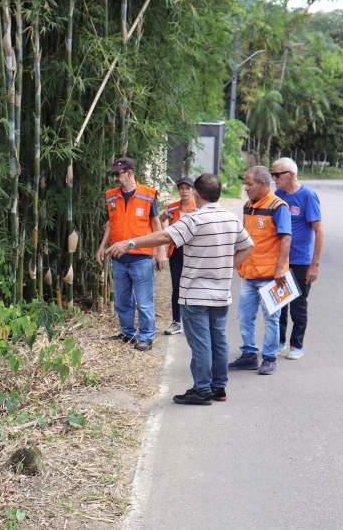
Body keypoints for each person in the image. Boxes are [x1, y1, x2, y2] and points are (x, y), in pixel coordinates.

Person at [107, 174, 252, 405]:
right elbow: (248, 246)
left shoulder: (195, 220)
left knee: (201, 342)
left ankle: (202, 389)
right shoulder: (231, 219)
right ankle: (218, 387)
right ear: (219, 194)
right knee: (219, 339)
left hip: (195, 294)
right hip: (221, 294)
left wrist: (130, 242)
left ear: (197, 193)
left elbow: (165, 235)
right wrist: (229, 265)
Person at [95, 157, 168, 351]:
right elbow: (112, 224)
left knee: (144, 302)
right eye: (114, 174)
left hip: (141, 257)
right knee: (122, 300)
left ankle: (146, 336)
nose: (116, 178)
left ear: (130, 173)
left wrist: (161, 252)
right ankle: (128, 333)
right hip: (118, 258)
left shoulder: (147, 195)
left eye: (119, 174)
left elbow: (156, 224)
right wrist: (102, 246)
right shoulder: (111, 196)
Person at [229, 165, 291, 375]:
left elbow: (286, 238)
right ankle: (248, 354)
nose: (245, 188)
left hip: (272, 276)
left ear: (263, 184)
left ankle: (269, 357)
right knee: (245, 316)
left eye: (249, 183)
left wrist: (281, 268)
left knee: (272, 318)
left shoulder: (278, 206)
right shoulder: (248, 206)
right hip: (249, 274)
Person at [272, 158, 323, 360]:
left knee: (298, 304)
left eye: (278, 175)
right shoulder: (278, 196)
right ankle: (279, 342)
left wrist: (315, 265)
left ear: (291, 174)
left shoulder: (308, 196)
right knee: (279, 304)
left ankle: (296, 344)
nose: (274, 179)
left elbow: (319, 232)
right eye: (273, 175)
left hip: (302, 260)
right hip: (281, 260)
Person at [158, 176, 197, 336]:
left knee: (193, 286)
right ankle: (176, 321)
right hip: (176, 251)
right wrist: (165, 235)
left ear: (193, 190)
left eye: (187, 188)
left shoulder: (198, 209)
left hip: (194, 252)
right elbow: (160, 219)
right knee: (177, 287)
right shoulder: (173, 208)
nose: (184, 191)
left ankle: (193, 322)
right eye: (181, 188)